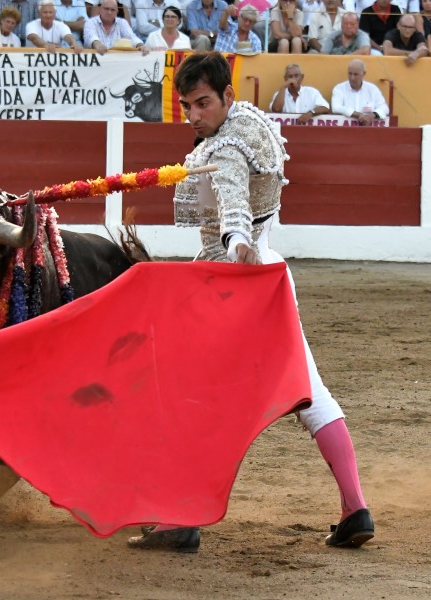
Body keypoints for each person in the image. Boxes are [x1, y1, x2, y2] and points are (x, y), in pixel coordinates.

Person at [127, 51, 374, 553]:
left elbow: (234, 203)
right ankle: (356, 508)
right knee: (310, 393)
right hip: (270, 271)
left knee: (179, 392)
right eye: (187, 106)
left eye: (203, 104)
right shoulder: (249, 120)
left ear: (226, 97)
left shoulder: (229, 149)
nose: (194, 115)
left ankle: (181, 517)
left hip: (231, 283)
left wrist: (238, 247)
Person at [331, 58, 389, 125]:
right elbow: (336, 107)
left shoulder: (372, 89)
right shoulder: (339, 89)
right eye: (350, 74)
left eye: (356, 74)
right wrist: (358, 115)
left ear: (363, 74)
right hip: (345, 132)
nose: (352, 78)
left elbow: (385, 108)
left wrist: (371, 116)